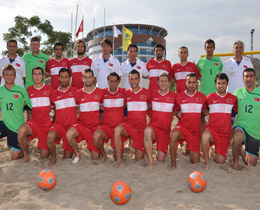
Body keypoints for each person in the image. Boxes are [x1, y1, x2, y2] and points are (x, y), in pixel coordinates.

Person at [114, 70, 151, 168]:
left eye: (135, 79)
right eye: (131, 79)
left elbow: (151, 106)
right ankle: (119, 160)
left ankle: (137, 145)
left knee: (139, 159)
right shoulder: (126, 93)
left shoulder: (146, 93)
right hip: (129, 126)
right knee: (117, 130)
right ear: (129, 80)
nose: (133, 81)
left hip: (141, 129)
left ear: (139, 79)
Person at [170, 73, 207, 169]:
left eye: (193, 82)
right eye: (189, 82)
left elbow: (204, 112)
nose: (191, 85)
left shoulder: (202, 97)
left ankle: (188, 148)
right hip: (183, 127)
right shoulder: (179, 97)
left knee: (195, 161)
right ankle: (173, 162)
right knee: (174, 134)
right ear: (185, 83)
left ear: (197, 83)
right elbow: (175, 111)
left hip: (194, 132)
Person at [66, 68, 104, 164]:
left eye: (90, 77)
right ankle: (78, 154)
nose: (88, 80)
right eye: (85, 77)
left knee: (95, 157)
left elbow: (103, 110)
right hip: (82, 126)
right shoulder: (78, 94)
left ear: (93, 78)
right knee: (69, 134)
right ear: (82, 79)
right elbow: (77, 110)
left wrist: (100, 124)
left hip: (94, 128)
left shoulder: (100, 92)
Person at [201, 73, 237, 170]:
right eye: (219, 83)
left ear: (227, 84)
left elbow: (237, 112)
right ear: (215, 84)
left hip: (224, 134)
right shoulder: (210, 97)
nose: (221, 86)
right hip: (212, 130)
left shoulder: (233, 98)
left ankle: (213, 152)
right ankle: (206, 162)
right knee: (205, 136)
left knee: (220, 161)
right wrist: (207, 113)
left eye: (223, 83)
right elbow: (204, 110)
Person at [18, 67, 53, 163]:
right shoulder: (28, 90)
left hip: (46, 125)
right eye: (35, 74)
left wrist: (52, 120)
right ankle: (26, 156)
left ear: (43, 76)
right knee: (21, 131)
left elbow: (55, 106)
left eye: (39, 74)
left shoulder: (49, 89)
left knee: (44, 156)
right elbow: (24, 107)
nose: (37, 76)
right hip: (34, 122)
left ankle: (43, 144)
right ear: (32, 76)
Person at [144, 73, 177, 169]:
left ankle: (158, 151)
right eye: (161, 81)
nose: (163, 83)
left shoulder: (174, 96)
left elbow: (178, 110)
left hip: (165, 131)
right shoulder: (152, 94)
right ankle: (150, 161)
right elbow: (146, 107)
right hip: (153, 127)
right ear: (158, 83)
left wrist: (171, 115)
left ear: (169, 83)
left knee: (161, 159)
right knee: (147, 130)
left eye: (165, 81)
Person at [47, 68, 78, 166]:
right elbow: (51, 110)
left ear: (69, 78)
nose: (64, 79)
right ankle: (53, 158)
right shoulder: (53, 93)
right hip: (59, 125)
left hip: (71, 128)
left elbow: (80, 108)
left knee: (67, 157)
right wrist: (50, 123)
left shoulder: (75, 92)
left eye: (66, 77)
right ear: (58, 78)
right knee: (50, 136)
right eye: (62, 77)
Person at [0, 64, 31, 160]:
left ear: (15, 76)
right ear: (3, 76)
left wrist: (27, 130)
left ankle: (23, 142)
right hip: (4, 124)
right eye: (6, 74)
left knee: (14, 157)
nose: (9, 77)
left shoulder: (21, 91)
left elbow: (30, 109)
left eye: (11, 74)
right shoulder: (0, 90)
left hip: (16, 128)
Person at [93, 72, 125, 163]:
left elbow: (127, 104)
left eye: (115, 81)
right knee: (96, 136)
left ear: (118, 81)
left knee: (116, 157)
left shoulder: (123, 92)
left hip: (118, 128)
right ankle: (104, 155)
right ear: (108, 81)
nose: (113, 84)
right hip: (106, 126)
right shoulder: (102, 93)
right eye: (111, 81)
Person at [232, 68, 260, 169]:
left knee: (251, 163)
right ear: (243, 78)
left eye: (251, 76)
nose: (248, 78)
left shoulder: (259, 92)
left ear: (255, 78)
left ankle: (242, 150)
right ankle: (235, 162)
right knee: (237, 137)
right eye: (246, 76)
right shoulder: (237, 92)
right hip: (241, 126)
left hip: (255, 131)